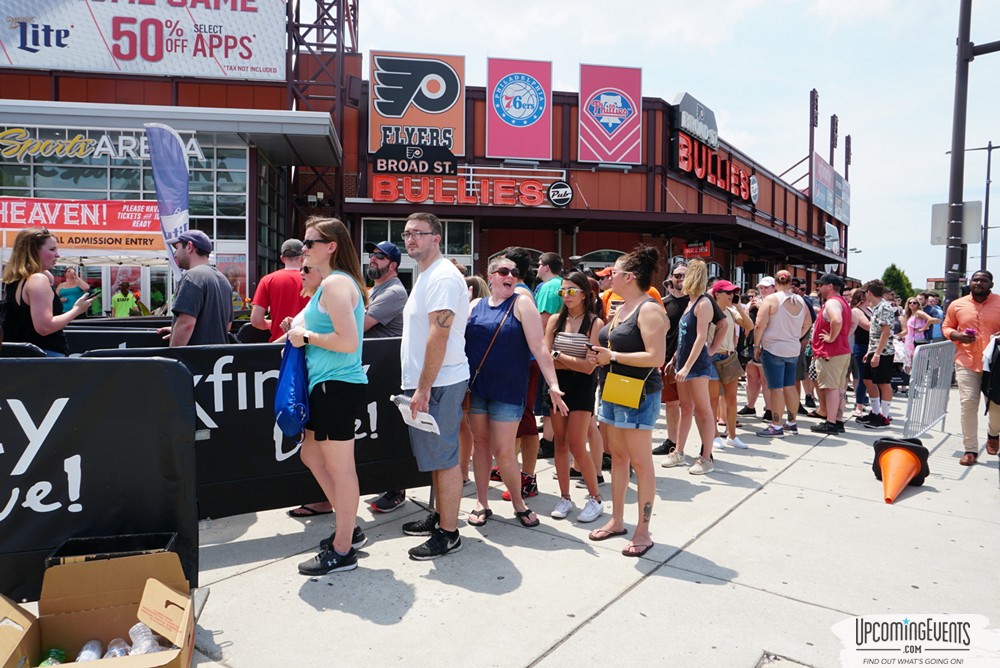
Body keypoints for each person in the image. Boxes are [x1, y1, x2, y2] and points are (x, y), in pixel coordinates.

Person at [288, 217, 370, 576]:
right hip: (326, 385)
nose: (303, 248)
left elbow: (348, 342)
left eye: (309, 242)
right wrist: (299, 329)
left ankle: (343, 549)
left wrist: (305, 336)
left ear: (331, 246)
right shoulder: (331, 284)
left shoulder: (336, 283)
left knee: (341, 468)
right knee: (310, 454)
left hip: (336, 386)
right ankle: (349, 528)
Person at [466, 258, 568, 528]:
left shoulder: (521, 303)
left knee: (504, 451)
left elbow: (539, 347)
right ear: (490, 276)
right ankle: (481, 502)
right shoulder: (475, 305)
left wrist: (553, 384)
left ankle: (519, 503)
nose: (510, 276)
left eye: (514, 272)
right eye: (503, 271)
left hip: (508, 389)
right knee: (480, 446)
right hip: (477, 388)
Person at [586, 246, 667, 558]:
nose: (609, 276)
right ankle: (617, 520)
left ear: (629, 277)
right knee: (618, 458)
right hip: (614, 388)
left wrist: (613, 356)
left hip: (639, 392)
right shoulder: (622, 307)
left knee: (640, 463)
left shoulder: (648, 309)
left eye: (614, 272)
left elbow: (656, 358)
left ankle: (643, 531)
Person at [398, 212, 470, 560]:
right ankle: (441, 516)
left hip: (440, 381)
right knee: (437, 458)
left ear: (436, 238)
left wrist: (424, 387)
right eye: (406, 234)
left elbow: (438, 335)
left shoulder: (442, 276)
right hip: (432, 380)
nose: (410, 239)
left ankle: (449, 533)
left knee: (444, 459)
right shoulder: (427, 274)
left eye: (418, 233)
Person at [543, 270, 605, 523]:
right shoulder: (555, 321)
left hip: (582, 388)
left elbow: (589, 367)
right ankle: (565, 497)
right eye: (563, 291)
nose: (566, 296)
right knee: (560, 443)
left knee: (577, 444)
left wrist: (559, 356)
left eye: (571, 291)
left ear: (584, 294)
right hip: (557, 386)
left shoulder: (595, 323)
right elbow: (545, 356)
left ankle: (595, 498)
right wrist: (567, 361)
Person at [361, 240, 411, 514]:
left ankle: (397, 490)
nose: (373, 259)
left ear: (393, 265)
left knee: (391, 430)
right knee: (375, 430)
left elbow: (358, 325)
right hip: (372, 371)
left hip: (389, 372)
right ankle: (384, 482)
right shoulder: (373, 290)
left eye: (379, 256)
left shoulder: (393, 292)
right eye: (371, 254)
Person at [664, 259, 721, 472]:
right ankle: (679, 452)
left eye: (685, 276)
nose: (680, 280)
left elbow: (700, 337)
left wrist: (689, 365)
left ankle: (706, 458)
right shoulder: (691, 302)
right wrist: (675, 358)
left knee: (703, 412)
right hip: (683, 362)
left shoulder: (703, 303)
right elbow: (685, 337)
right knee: (686, 408)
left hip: (696, 365)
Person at [1, 228, 95, 356]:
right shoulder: (38, 280)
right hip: (46, 356)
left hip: (24, 357)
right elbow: (44, 327)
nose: (57, 255)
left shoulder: (17, 281)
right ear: (33, 251)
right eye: (52, 249)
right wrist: (77, 309)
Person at [942, 270, 1000, 465]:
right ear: (970, 282)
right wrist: (957, 336)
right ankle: (970, 449)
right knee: (968, 403)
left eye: (984, 280)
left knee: (996, 406)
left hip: (995, 364)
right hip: (966, 361)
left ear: (991, 284)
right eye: (975, 279)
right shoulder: (957, 304)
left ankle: (993, 434)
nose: (979, 283)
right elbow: (946, 327)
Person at [754, 269, 811, 437]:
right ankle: (791, 422)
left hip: (773, 347)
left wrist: (756, 345)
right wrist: (796, 336)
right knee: (789, 386)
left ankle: (776, 425)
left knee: (775, 388)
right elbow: (808, 322)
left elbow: (759, 324)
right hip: (792, 348)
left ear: (776, 283)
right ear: (790, 282)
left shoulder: (771, 299)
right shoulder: (800, 300)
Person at [158, 230, 233, 347]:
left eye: (177, 248)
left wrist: (174, 351)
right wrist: (176, 331)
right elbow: (226, 326)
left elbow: (186, 324)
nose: (175, 254)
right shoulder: (223, 280)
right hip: (219, 355)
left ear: (189, 246)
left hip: (195, 356)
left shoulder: (192, 277)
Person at [709, 279, 752, 449]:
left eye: (733, 292)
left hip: (729, 357)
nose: (731, 295)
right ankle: (713, 434)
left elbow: (749, 325)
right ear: (717, 294)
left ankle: (732, 435)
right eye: (727, 292)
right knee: (713, 399)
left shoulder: (731, 311)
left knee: (731, 399)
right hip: (712, 357)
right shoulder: (709, 310)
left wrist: (739, 306)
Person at [809, 274, 853, 434]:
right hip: (841, 351)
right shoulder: (843, 302)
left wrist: (831, 338)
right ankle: (837, 421)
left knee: (831, 388)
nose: (818, 288)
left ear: (829, 286)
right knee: (839, 388)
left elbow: (837, 320)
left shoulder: (832, 302)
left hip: (831, 352)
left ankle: (831, 422)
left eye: (820, 285)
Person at [251, 239, 309, 342]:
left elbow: (256, 320)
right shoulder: (312, 279)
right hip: (306, 342)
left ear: (282, 259)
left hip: (277, 344)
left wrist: (271, 324)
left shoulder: (267, 280)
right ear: (303, 258)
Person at [857, 279, 897, 430]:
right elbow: (875, 332)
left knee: (883, 383)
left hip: (884, 352)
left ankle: (884, 417)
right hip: (874, 350)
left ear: (869, 293)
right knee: (868, 381)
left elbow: (885, 332)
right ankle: (875, 413)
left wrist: (877, 354)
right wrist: (870, 352)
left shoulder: (884, 307)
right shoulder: (876, 307)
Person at [738, 277, 775, 421]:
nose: (763, 290)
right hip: (751, 343)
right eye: (761, 287)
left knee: (766, 379)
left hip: (767, 345)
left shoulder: (775, 302)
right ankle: (750, 406)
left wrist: (761, 307)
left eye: (766, 287)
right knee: (751, 377)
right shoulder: (754, 301)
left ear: (774, 288)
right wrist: (747, 309)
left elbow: (775, 321)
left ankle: (770, 409)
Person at [849, 288, 871, 418]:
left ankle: (869, 404)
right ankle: (859, 406)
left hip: (870, 346)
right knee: (862, 378)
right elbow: (867, 326)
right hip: (861, 346)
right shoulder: (856, 311)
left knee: (870, 378)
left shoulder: (870, 310)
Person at [900, 296, 939, 364]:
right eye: (910, 303)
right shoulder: (909, 314)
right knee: (909, 361)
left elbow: (932, 319)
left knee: (918, 360)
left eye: (914, 303)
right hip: (909, 340)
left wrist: (924, 328)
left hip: (917, 339)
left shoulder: (919, 312)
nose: (912, 304)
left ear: (918, 304)